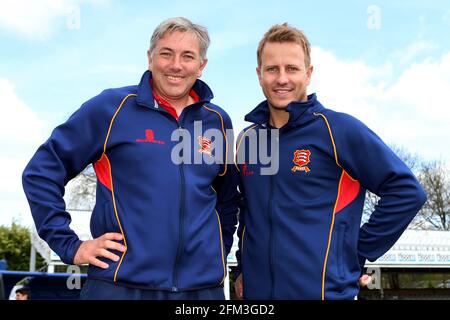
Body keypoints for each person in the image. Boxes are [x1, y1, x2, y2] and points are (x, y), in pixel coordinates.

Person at [22, 17, 238, 300]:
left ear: (201, 65)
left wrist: (216, 254)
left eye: (188, 56)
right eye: (166, 53)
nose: (176, 65)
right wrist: (69, 245)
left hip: (201, 291)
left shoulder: (218, 121)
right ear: (150, 58)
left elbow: (227, 200)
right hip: (119, 286)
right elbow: (41, 172)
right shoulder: (111, 108)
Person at [234, 23, 427, 300]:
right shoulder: (247, 140)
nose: (282, 78)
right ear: (259, 75)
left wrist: (356, 252)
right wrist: (242, 268)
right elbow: (247, 213)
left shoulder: (338, 129)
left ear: (308, 73)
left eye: (292, 68)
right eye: (272, 69)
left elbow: (407, 192)